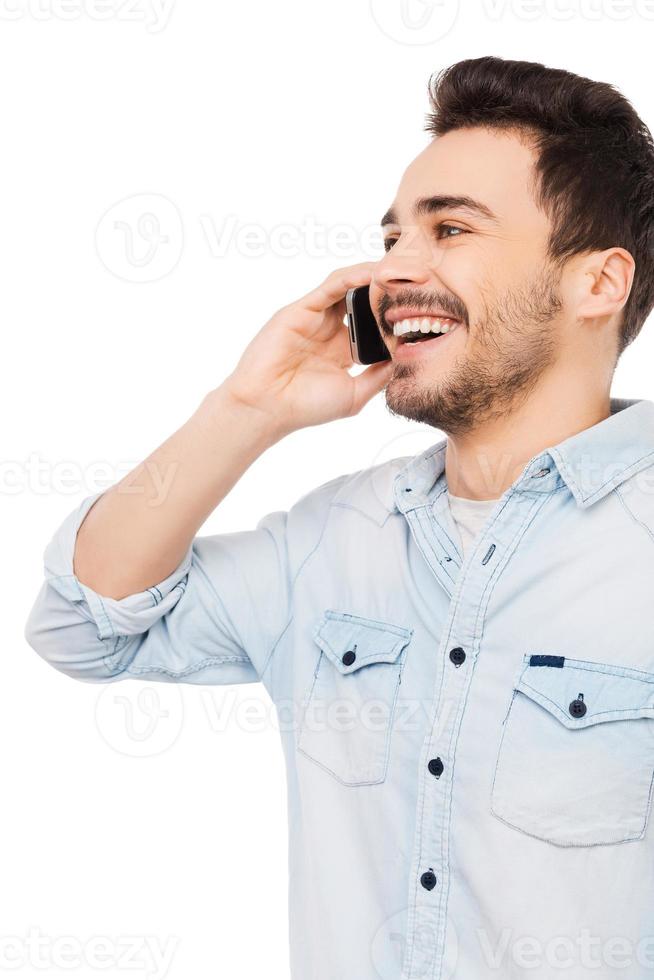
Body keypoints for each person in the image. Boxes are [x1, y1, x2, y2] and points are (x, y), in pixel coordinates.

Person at [25, 56, 654, 979]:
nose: (393, 271)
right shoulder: (330, 540)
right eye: (394, 236)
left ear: (596, 283)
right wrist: (248, 408)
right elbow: (84, 625)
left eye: (450, 229)